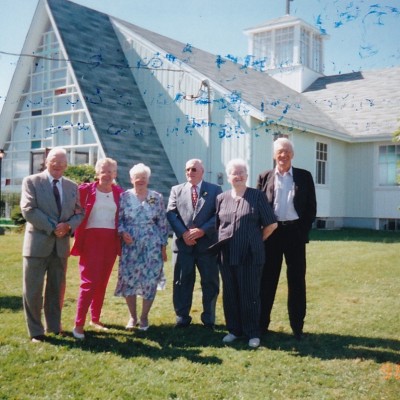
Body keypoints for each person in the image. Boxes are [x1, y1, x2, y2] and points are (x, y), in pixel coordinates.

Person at [20, 147, 84, 342]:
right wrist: (54, 227)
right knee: (33, 290)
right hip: (37, 246)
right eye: (54, 162)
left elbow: (79, 213)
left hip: (61, 247)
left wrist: (68, 226)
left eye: (62, 163)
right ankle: (36, 331)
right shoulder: (31, 181)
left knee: (57, 289)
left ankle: (54, 327)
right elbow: (28, 209)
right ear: (46, 162)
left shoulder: (72, 186)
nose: (57, 165)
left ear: (66, 165)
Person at [212, 159, 277, 348]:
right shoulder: (221, 198)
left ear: (247, 176)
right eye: (234, 173)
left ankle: (252, 333)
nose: (238, 176)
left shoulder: (257, 196)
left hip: (250, 255)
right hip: (226, 254)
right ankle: (234, 330)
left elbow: (271, 224)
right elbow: (219, 225)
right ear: (228, 176)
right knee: (230, 293)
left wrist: (256, 240)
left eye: (241, 172)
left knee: (250, 294)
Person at [257, 137, 317, 340]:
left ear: (293, 154)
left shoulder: (304, 176)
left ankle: (297, 326)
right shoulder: (265, 177)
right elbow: (258, 207)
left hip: (295, 234)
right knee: (267, 280)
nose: (283, 155)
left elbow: (311, 208)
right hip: (272, 234)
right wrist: (263, 231)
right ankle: (261, 324)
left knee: (297, 280)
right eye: (280, 151)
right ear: (274, 155)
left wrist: (302, 230)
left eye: (287, 151)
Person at [70, 158, 124, 340]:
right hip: (91, 240)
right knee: (89, 283)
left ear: (115, 174)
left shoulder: (119, 193)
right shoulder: (84, 190)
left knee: (102, 281)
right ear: (97, 172)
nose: (106, 174)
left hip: (110, 241)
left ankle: (95, 319)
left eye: (110, 171)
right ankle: (78, 325)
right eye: (103, 170)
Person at [167, 159, 222, 329]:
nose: (190, 172)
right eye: (187, 169)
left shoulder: (214, 190)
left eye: (194, 169)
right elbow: (171, 213)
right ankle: (182, 317)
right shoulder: (176, 190)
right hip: (184, 246)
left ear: (202, 171)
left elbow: (219, 214)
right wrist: (184, 233)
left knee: (210, 283)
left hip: (207, 246)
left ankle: (209, 318)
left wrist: (202, 230)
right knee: (182, 282)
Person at [115, 163, 168, 331]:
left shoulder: (156, 197)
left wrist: (163, 247)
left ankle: (144, 317)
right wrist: (123, 232)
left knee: (149, 280)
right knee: (129, 279)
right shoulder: (124, 197)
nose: (140, 181)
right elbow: (119, 220)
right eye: (137, 178)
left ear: (148, 179)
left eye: (143, 178)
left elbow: (162, 223)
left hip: (151, 245)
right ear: (131, 179)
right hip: (130, 246)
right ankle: (133, 316)